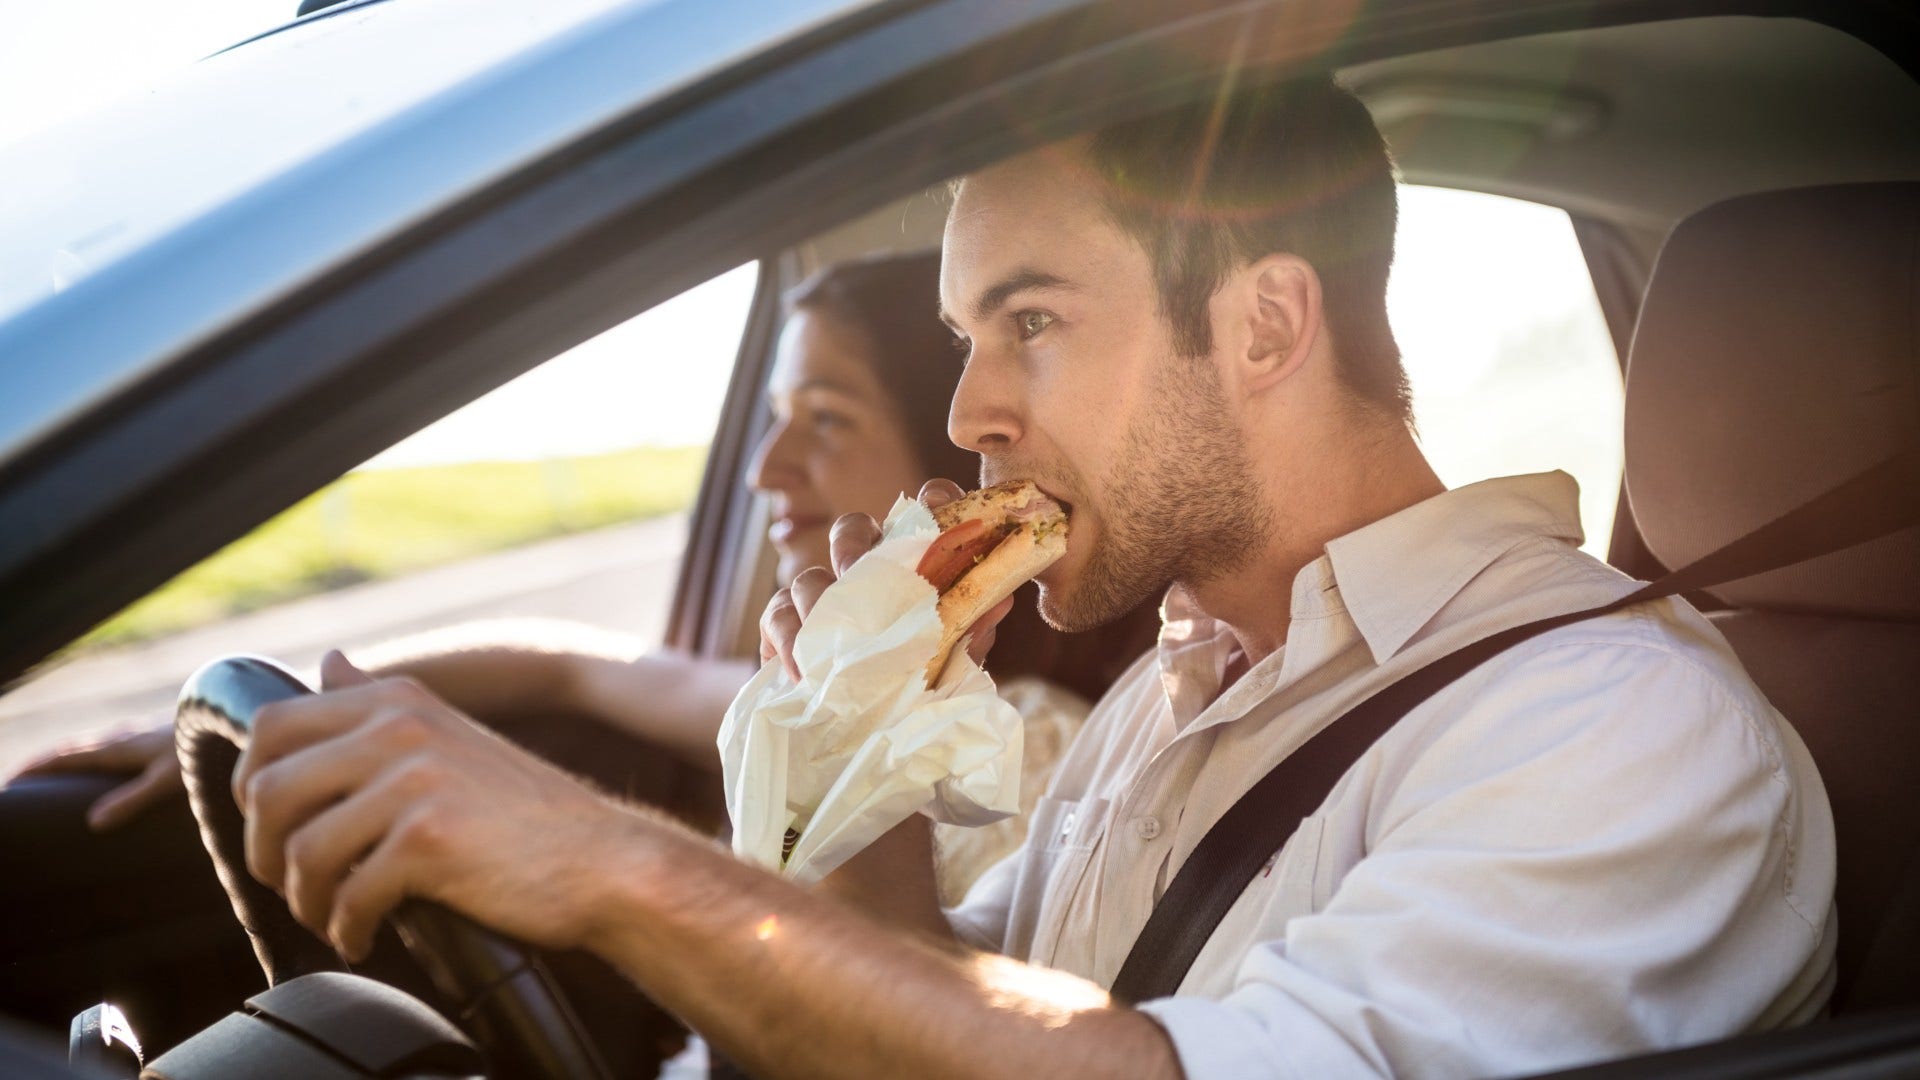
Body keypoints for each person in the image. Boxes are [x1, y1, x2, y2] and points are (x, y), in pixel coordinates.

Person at [89, 75, 1835, 1079]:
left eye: (1032, 324)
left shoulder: (1612, 728)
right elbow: (942, 1022)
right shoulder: (1184, 683)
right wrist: (873, 768)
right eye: (964, 334)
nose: (971, 409)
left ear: (1266, 322)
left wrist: (604, 861)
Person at [9, 252, 1153, 909]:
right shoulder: (824, 696)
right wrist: (285, 709)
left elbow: (930, 1029)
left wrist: (582, 857)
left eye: (827, 418)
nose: (766, 468)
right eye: (769, 419)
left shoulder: (1030, 752)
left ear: (942, 471)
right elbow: (577, 664)